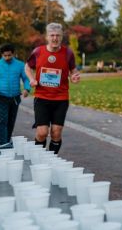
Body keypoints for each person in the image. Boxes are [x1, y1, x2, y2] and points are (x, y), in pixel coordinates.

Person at [25, 23, 80, 154]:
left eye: (58, 35)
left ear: (61, 37)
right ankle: (39, 156)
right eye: (52, 35)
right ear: (47, 37)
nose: (55, 38)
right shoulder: (38, 52)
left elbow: (73, 70)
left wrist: (74, 77)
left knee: (56, 132)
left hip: (61, 98)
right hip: (42, 97)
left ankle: (52, 159)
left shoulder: (68, 53)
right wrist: (32, 79)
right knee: (42, 132)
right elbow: (27, 67)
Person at [0, 44, 31, 145]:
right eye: (4, 56)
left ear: (13, 54)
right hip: (1, 97)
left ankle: (6, 141)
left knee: (11, 122)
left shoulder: (20, 65)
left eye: (9, 55)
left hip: (15, 98)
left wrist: (27, 89)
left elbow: (26, 79)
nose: (7, 58)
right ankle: (3, 144)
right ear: (2, 55)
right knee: (3, 121)